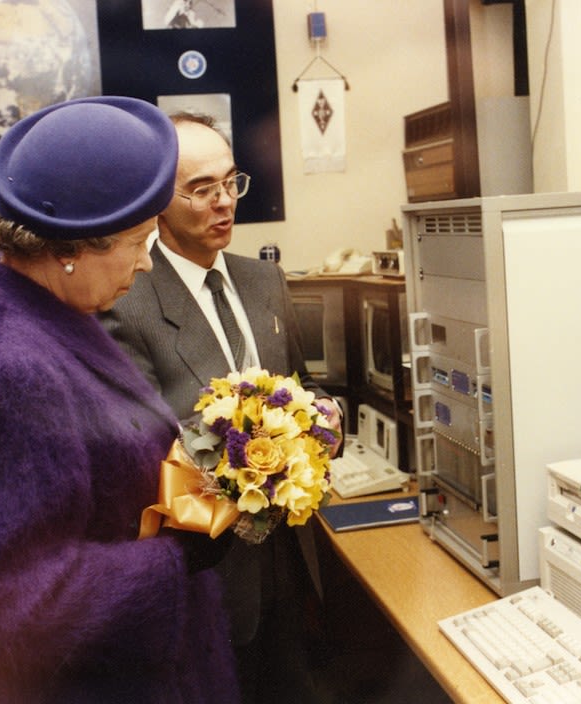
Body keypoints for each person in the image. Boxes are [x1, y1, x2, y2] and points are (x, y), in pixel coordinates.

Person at [0, 96, 239, 703]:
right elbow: (24, 603)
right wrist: (180, 554)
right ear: (69, 249)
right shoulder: (6, 366)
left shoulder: (44, 316)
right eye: (138, 241)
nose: (145, 264)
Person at [101, 111, 344, 703]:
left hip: (292, 550)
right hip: (206, 569)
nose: (224, 202)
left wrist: (326, 417)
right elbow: (137, 454)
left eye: (232, 182)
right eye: (202, 190)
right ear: (159, 200)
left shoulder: (264, 280)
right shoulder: (128, 300)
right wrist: (246, 453)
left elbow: (306, 387)